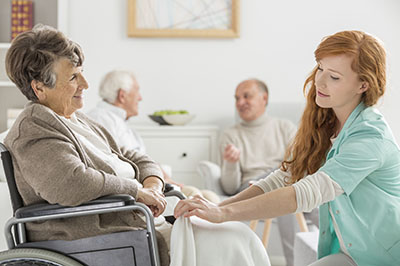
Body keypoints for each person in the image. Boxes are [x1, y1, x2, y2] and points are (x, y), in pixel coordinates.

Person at [175, 30, 400, 266]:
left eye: (334, 77)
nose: (319, 81)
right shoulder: (324, 124)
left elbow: (306, 192)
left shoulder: (370, 137)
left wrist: (224, 214)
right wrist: (218, 207)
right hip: (352, 254)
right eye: (320, 68)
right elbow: (284, 178)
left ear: (363, 85)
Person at [4, 25, 171, 265]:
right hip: (100, 238)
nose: (85, 83)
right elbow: (71, 183)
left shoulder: (77, 119)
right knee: (223, 239)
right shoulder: (33, 129)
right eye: (73, 77)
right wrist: (136, 191)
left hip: (133, 228)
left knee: (223, 233)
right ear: (39, 87)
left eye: (81, 72)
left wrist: (153, 184)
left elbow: (131, 157)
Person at [220, 78, 316, 266]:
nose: (240, 102)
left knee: (306, 194)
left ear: (264, 98)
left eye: (246, 96)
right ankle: (296, 262)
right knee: (287, 191)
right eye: (237, 98)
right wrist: (231, 164)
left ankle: (345, 250)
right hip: (250, 187)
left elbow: (299, 165)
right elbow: (230, 188)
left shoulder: (285, 128)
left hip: (286, 180)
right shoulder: (230, 135)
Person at [87, 70, 220, 203]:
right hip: (136, 191)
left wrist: (162, 176)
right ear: (122, 96)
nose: (140, 98)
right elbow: (119, 165)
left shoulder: (119, 122)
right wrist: (157, 181)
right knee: (202, 197)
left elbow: (139, 158)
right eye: (137, 91)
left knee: (208, 197)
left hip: (149, 184)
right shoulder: (102, 119)